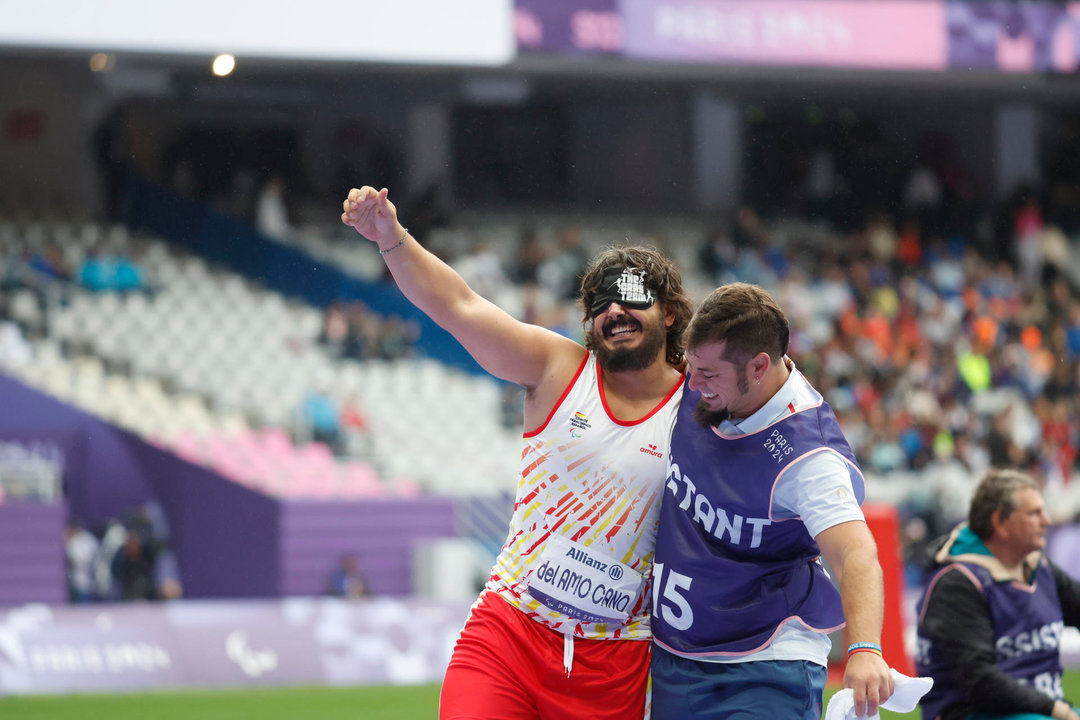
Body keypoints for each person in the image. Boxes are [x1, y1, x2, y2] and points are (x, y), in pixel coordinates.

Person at [341, 186, 692, 720]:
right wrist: (391, 238)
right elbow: (458, 305)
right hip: (508, 635)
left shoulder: (699, 410)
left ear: (668, 314)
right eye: (601, 303)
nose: (615, 311)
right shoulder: (557, 368)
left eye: (631, 297)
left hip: (617, 664)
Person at [650, 282, 894, 719]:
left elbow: (856, 552)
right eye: (692, 366)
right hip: (678, 656)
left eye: (707, 374)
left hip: (768, 661)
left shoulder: (808, 458)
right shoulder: (708, 375)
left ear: (759, 366)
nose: (690, 382)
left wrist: (865, 649)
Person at [915, 469, 1080, 720]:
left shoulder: (1037, 567)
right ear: (1000, 523)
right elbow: (981, 683)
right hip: (974, 712)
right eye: (1034, 513)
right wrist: (1057, 710)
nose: (1047, 520)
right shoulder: (958, 583)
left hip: (1040, 709)